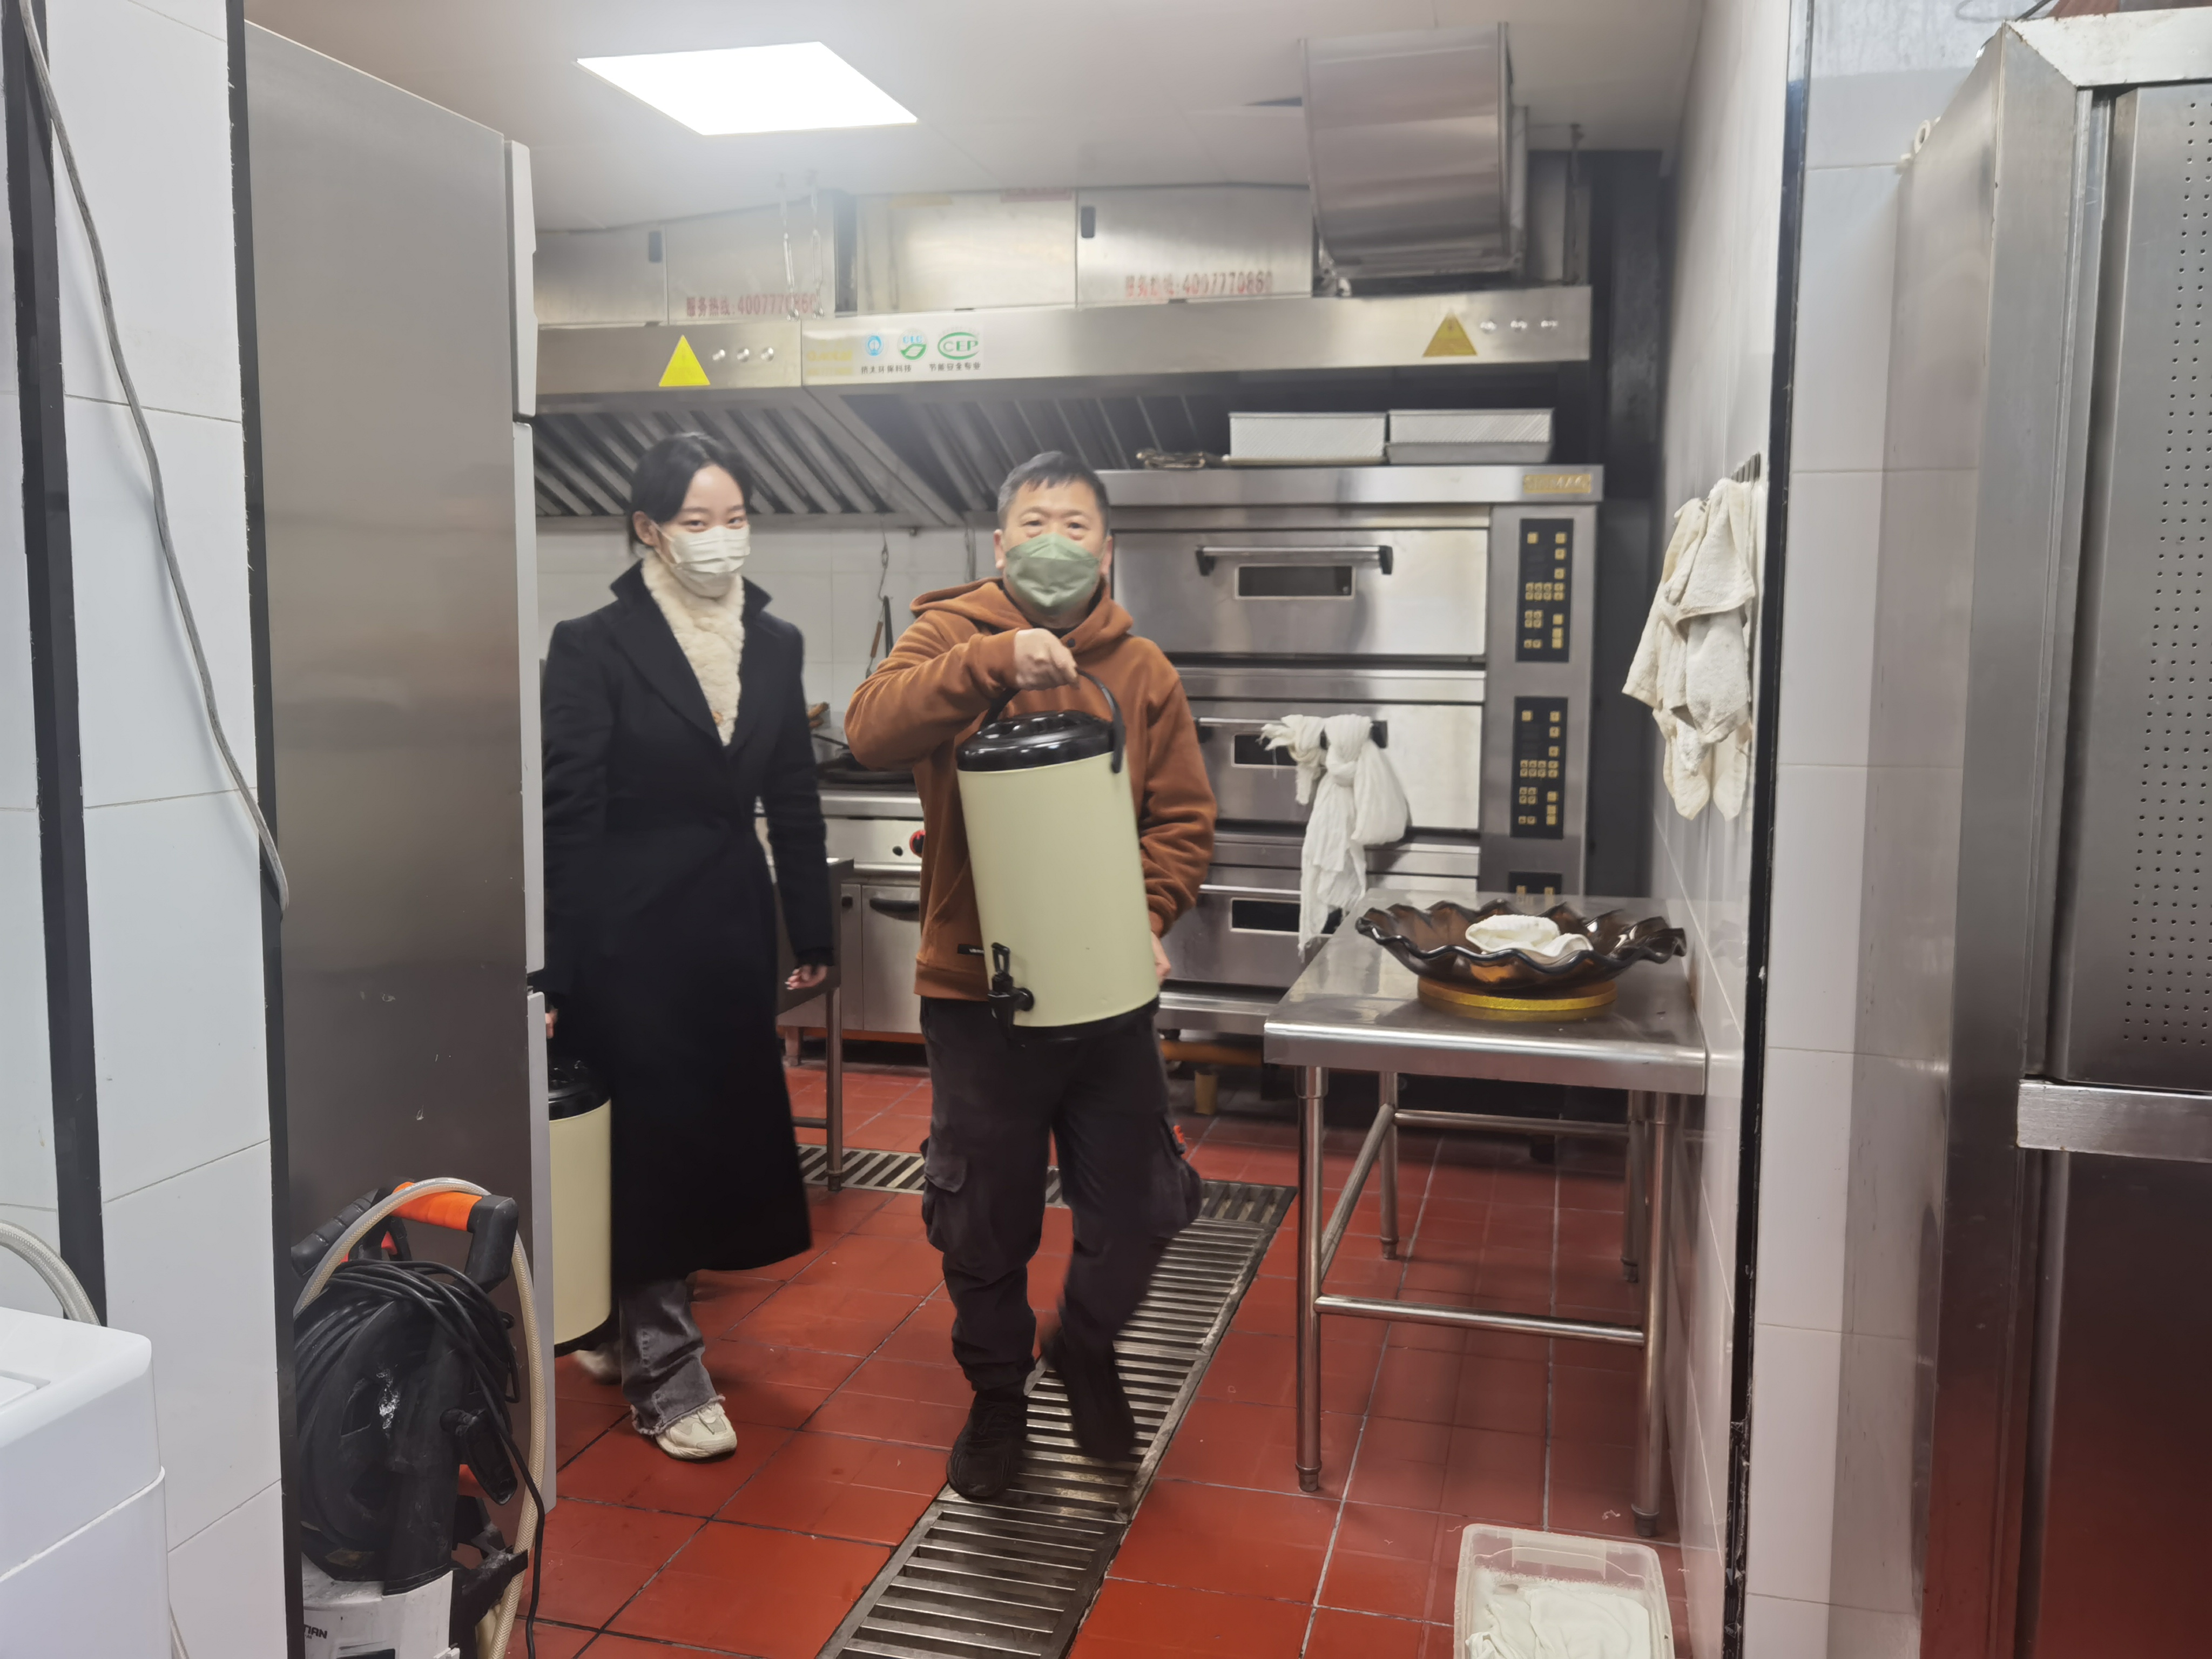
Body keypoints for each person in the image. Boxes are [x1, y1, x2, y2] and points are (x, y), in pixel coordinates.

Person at [844, 450, 1216, 1499]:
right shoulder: (948, 638)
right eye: (1036, 524)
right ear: (1001, 543)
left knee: (1142, 1203)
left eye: (1077, 526)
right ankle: (998, 1396)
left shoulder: (1141, 670)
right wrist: (995, 662)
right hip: (979, 997)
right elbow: (870, 728)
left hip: (1107, 994)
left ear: (1108, 549)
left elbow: (1182, 820)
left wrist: (1146, 915)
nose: (1057, 542)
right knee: (982, 1217)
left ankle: (1085, 1344)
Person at [538, 432, 832, 1461]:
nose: (721, 538)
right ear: (649, 531)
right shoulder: (594, 644)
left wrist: (812, 927)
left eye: (735, 518)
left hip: (729, 924)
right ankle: (666, 1370)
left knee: (707, 1134)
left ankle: (621, 1323)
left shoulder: (775, 642)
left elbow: (793, 793)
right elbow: (568, 811)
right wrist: (555, 967)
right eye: (697, 521)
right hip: (628, 932)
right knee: (651, 1142)